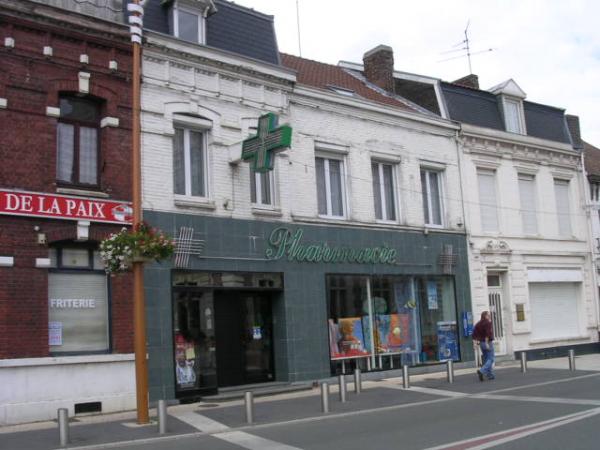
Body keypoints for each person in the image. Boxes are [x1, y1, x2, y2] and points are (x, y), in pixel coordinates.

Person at [472, 311, 495, 381]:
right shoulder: (488, 323)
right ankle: (481, 371)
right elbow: (488, 334)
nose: (490, 316)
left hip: (481, 344)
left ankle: (490, 375)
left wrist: (475, 344)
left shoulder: (478, 324)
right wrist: (487, 343)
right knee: (491, 359)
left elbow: (474, 335)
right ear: (485, 316)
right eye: (488, 315)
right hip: (487, 342)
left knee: (486, 360)